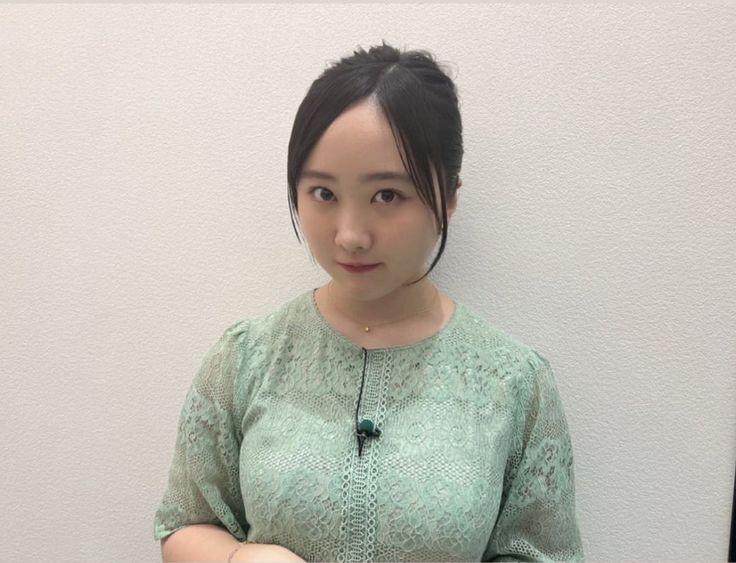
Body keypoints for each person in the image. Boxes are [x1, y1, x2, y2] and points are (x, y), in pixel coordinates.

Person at [153, 41, 584, 562]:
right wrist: (240, 558)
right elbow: (185, 523)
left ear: (449, 195)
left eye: (387, 196)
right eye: (323, 194)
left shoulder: (513, 383)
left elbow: (542, 553)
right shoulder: (245, 358)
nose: (350, 236)